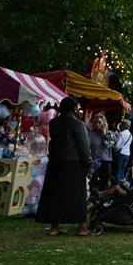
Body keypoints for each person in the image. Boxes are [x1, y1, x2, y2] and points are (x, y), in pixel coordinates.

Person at [36, 97, 91, 236]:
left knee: (55, 194)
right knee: (78, 194)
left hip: (56, 162)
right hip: (73, 163)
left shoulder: (54, 123)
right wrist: (88, 163)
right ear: (73, 109)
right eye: (77, 108)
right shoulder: (78, 125)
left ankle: (54, 227)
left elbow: (53, 142)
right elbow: (84, 147)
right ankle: (82, 227)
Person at [88, 114, 113, 191]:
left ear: (103, 123)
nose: (97, 124)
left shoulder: (109, 133)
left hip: (106, 160)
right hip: (95, 160)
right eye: (95, 122)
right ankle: (93, 197)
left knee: (105, 180)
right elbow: (88, 147)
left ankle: (102, 197)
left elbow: (112, 144)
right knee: (93, 181)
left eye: (99, 122)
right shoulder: (91, 134)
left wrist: (105, 135)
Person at [114, 119, 133, 185]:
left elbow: (117, 146)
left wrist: (114, 150)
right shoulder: (130, 134)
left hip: (121, 154)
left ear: (123, 125)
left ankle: (117, 186)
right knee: (122, 171)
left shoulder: (122, 133)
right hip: (127, 154)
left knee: (118, 171)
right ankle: (122, 185)